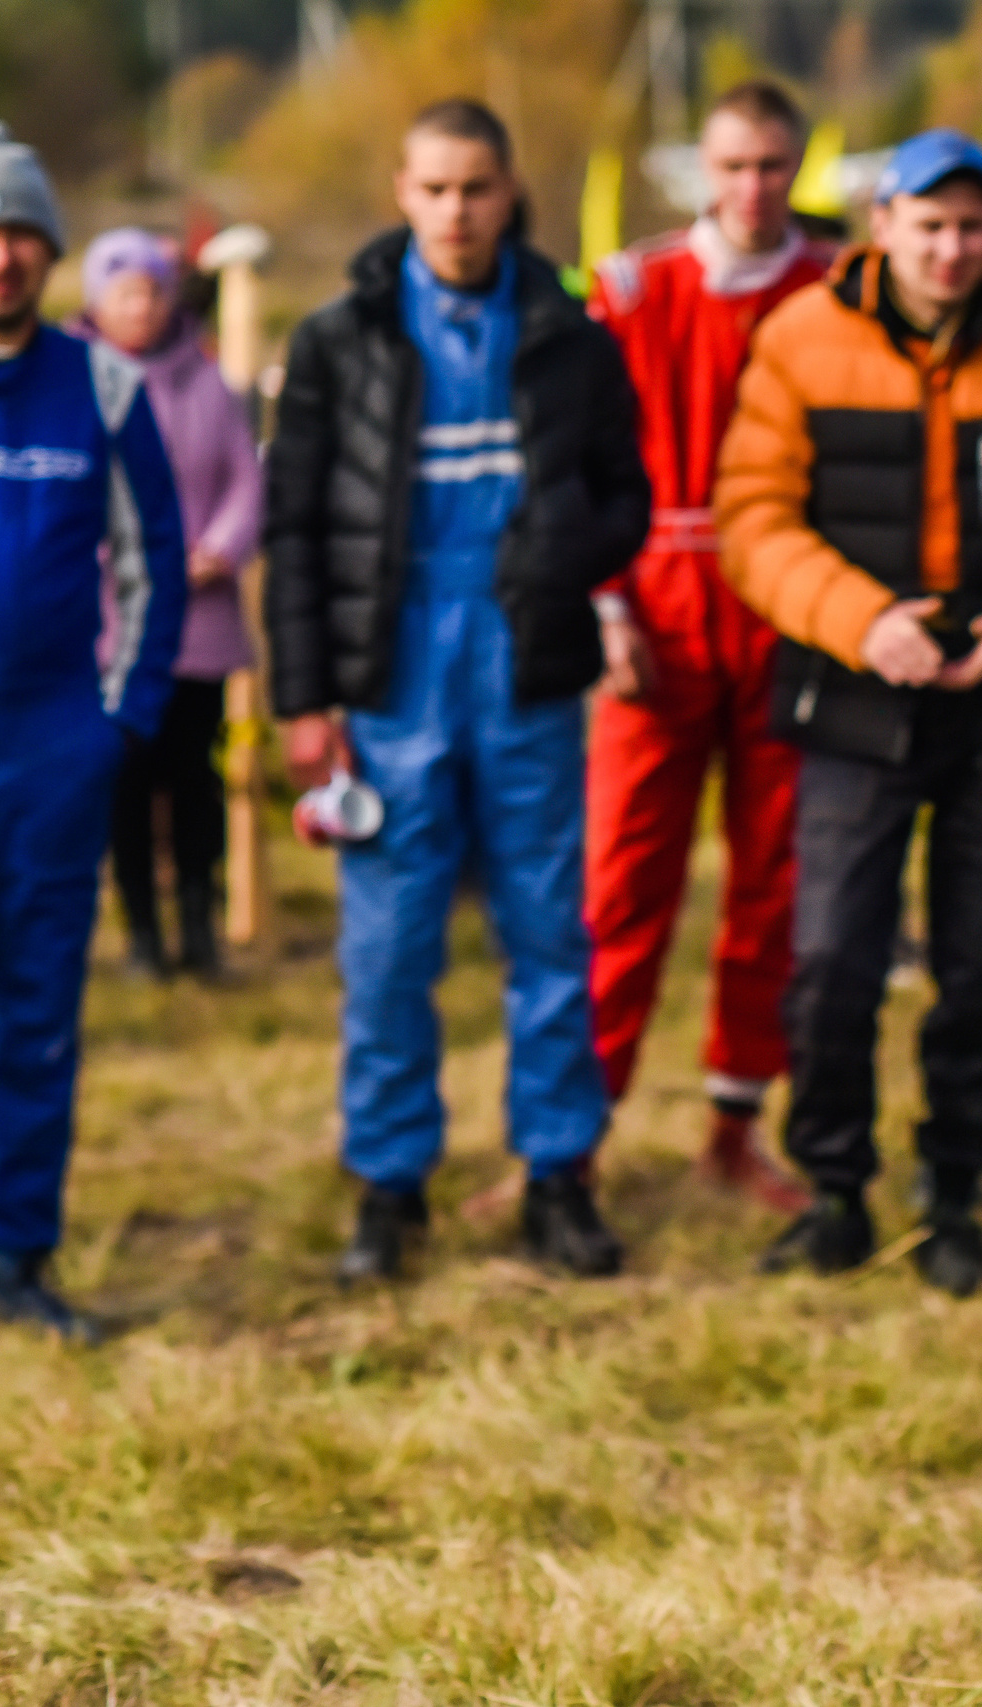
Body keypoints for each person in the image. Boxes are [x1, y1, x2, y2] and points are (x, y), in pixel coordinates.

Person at [714, 129, 982, 1294]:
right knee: (831, 958)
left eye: (971, 226)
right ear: (884, 225)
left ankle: (954, 1190)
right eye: (929, 225)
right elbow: (752, 517)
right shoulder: (800, 338)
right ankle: (835, 1189)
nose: (951, 249)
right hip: (851, 696)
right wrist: (863, 623)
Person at [265, 99, 652, 1285]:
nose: (456, 211)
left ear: (508, 190)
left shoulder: (569, 335)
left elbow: (626, 497)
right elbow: (294, 527)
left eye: (476, 188)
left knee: (548, 934)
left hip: (525, 669)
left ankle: (558, 1176)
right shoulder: (339, 340)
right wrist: (304, 698)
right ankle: (390, 1187)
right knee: (388, 948)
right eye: (434, 189)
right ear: (401, 191)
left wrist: (563, 553)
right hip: (391, 681)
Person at [0, 121, 187, 1340]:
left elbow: (155, 558)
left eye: (20, 233)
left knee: (37, 1004)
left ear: (52, 251)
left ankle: (14, 1257)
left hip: (55, 738)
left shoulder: (102, 386)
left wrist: (127, 714)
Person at [584, 80, 831, 1207]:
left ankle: (736, 1125)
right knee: (622, 876)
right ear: (703, 170)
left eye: (772, 166)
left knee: (772, 882)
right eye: (733, 165)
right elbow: (577, 461)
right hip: (658, 609)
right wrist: (604, 604)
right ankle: (575, 1132)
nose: (752, 188)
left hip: (785, 611)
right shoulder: (634, 291)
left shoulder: (833, 290)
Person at [72, 229, 263, 982]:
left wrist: (217, 549)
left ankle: (200, 926)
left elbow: (246, 480)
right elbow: (68, 491)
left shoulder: (210, 383)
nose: (141, 306)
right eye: (125, 292)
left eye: (153, 290)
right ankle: (142, 935)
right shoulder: (76, 382)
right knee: (125, 781)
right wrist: (127, 563)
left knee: (194, 777)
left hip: (199, 619)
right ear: (97, 300)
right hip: (112, 624)